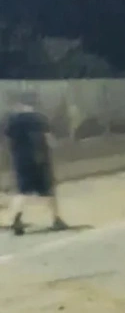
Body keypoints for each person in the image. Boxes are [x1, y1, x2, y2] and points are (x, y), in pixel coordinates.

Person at [4, 93, 68, 235]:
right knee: (48, 190)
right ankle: (56, 219)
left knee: (22, 191)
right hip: (40, 159)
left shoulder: (12, 120)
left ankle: (16, 218)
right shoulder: (39, 118)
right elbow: (48, 138)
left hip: (20, 159)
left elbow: (8, 139)